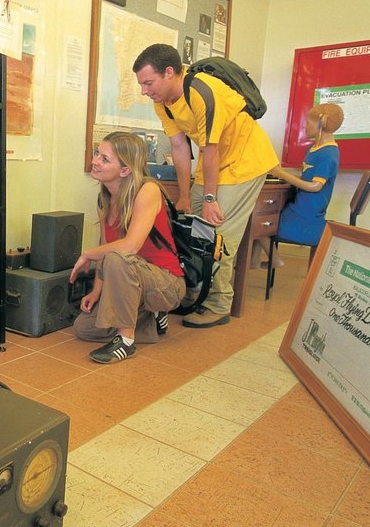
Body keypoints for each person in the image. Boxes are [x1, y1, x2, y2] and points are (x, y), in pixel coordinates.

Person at [132, 43, 279, 328]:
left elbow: (210, 148)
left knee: (218, 233)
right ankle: (194, 293)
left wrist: (210, 198)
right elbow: (178, 146)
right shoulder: (162, 102)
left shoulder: (202, 91)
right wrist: (186, 196)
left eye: (148, 82)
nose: (144, 90)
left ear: (170, 73)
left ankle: (218, 304)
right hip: (212, 164)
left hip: (244, 162)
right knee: (190, 225)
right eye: (141, 84)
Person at [70, 132, 186, 364]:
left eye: (105, 158)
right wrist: (96, 291)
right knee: (84, 328)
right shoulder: (105, 198)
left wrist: (86, 253)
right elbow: (106, 247)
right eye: (97, 154)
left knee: (119, 256)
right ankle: (150, 319)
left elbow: (129, 247)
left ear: (125, 170)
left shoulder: (148, 190)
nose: (95, 162)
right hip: (133, 281)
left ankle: (126, 340)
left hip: (167, 282)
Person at [253, 103, 344, 266]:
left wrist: (281, 173)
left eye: (307, 124)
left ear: (319, 125)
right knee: (261, 216)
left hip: (306, 219)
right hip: (297, 211)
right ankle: (252, 264)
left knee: (257, 223)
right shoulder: (314, 149)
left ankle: (274, 261)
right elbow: (306, 176)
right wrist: (281, 173)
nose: (304, 127)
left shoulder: (328, 153)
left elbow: (315, 186)